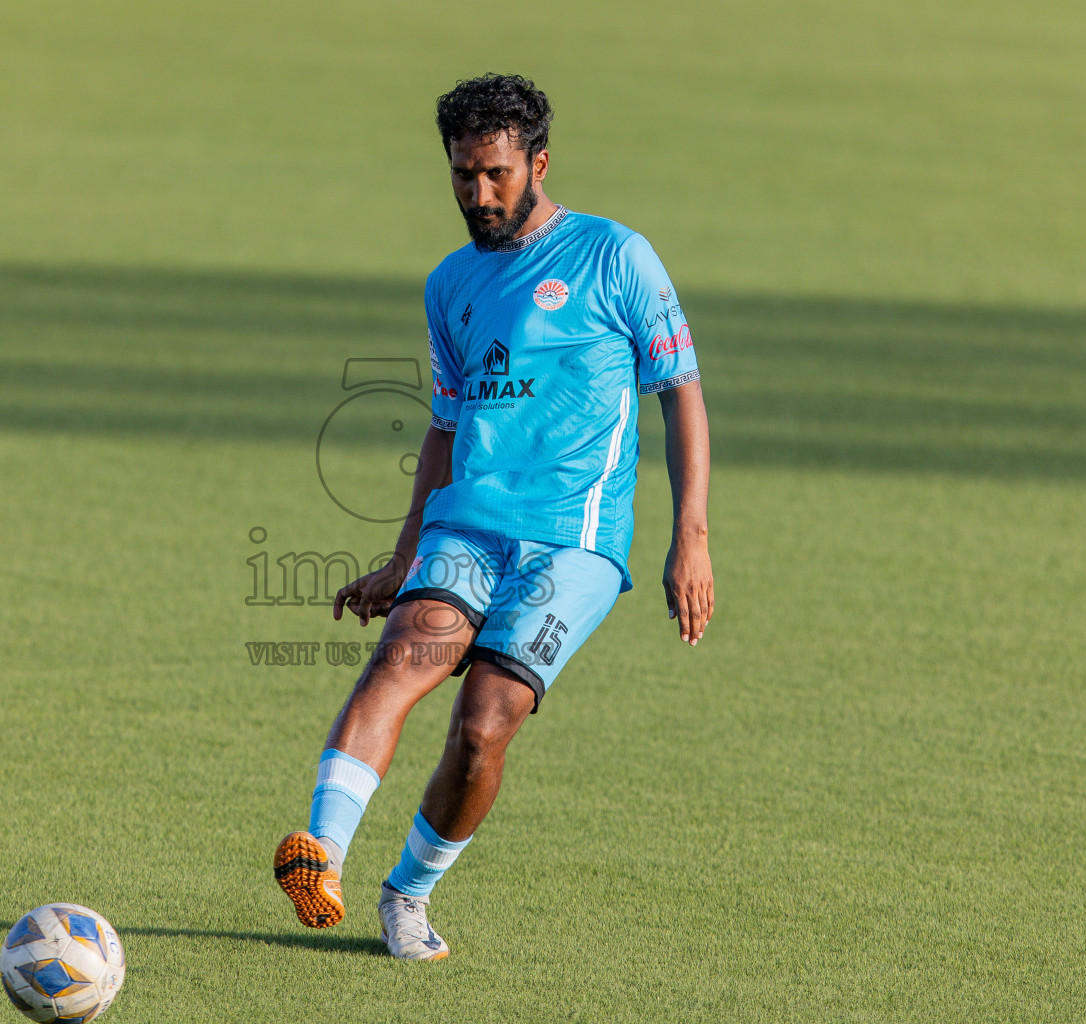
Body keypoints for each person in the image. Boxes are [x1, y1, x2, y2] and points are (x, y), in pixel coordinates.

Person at [274, 73, 714, 960]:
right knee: (399, 664)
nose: (479, 193)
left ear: (538, 163)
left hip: (575, 542)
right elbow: (444, 424)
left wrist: (690, 538)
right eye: (462, 175)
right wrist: (404, 552)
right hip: (466, 525)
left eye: (497, 174)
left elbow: (683, 395)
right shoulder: (449, 285)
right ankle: (320, 851)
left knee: (482, 727)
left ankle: (409, 895)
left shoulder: (615, 257)